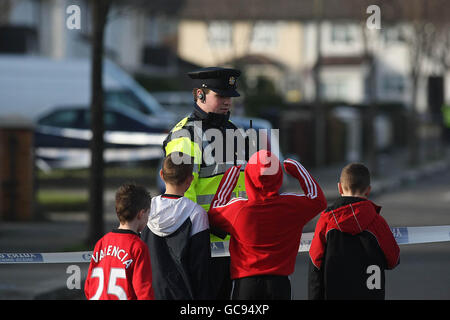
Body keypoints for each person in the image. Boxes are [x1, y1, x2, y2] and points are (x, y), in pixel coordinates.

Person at [161, 67, 249, 299]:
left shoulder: (232, 131)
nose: (227, 102)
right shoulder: (185, 135)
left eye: (230, 96)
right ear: (199, 94)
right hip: (201, 243)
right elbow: (181, 196)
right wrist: (199, 234)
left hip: (233, 242)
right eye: (220, 96)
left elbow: (243, 181)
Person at [208, 150, 327, 299]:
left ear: (249, 177)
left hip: (246, 284)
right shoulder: (291, 206)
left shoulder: (238, 210)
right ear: (278, 176)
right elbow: (318, 201)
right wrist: (298, 169)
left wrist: (230, 176)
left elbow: (214, 212)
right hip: (280, 283)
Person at [308, 163, 400, 300]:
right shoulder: (378, 222)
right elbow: (393, 260)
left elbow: (315, 262)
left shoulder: (326, 221)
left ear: (339, 187)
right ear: (368, 190)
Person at [140, 152, 211, 299]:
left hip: (149, 293)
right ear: (190, 180)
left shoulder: (145, 209)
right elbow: (201, 268)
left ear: (161, 174)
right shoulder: (196, 214)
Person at [84, 183, 154, 300]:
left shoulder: (101, 243)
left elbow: (89, 287)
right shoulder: (138, 247)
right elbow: (144, 292)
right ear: (141, 214)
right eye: (148, 213)